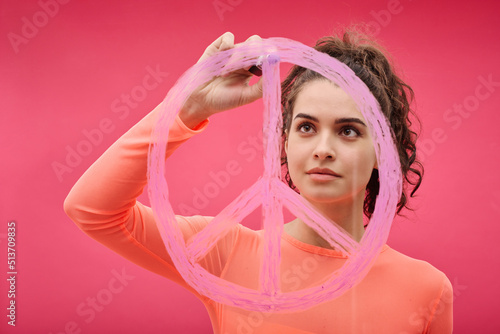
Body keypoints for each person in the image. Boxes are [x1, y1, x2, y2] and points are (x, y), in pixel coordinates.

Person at [64, 30, 453, 333]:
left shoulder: (427, 290)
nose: (322, 149)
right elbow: (93, 210)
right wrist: (190, 105)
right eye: (305, 127)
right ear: (284, 143)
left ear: (382, 153)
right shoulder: (225, 251)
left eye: (348, 131)